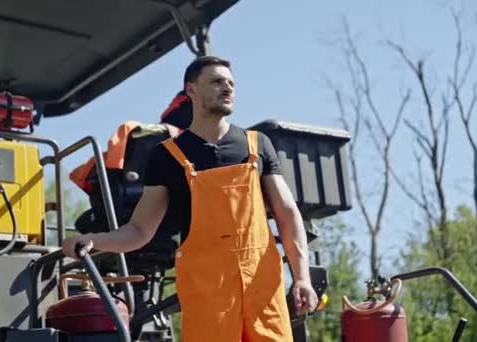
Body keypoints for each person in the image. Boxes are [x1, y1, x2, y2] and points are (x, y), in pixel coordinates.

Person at [63, 56, 318, 341]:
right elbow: (139, 231)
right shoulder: (167, 156)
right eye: (217, 81)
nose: (227, 88)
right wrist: (95, 240)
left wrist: (302, 278)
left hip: (262, 292)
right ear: (191, 91)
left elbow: (287, 215)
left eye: (231, 83)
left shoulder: (257, 145)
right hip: (209, 299)